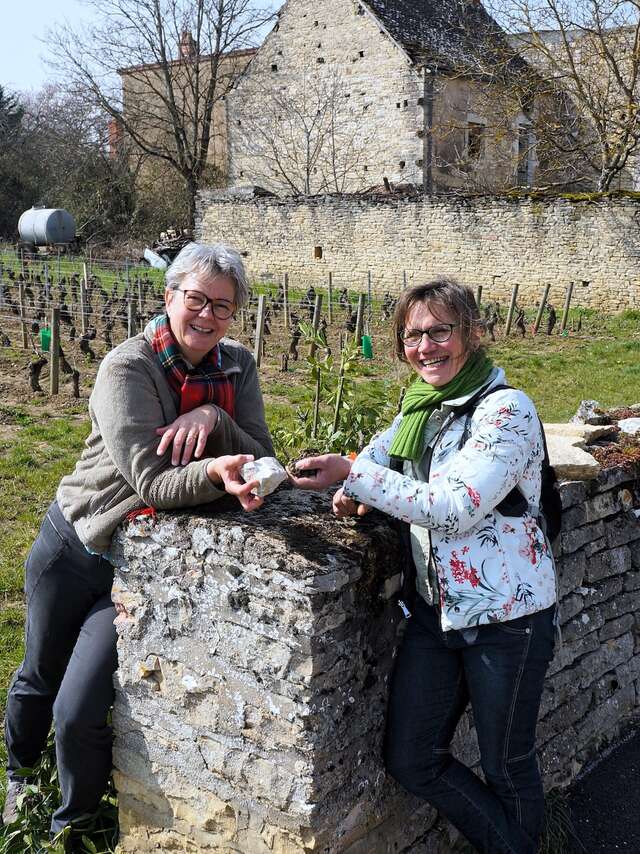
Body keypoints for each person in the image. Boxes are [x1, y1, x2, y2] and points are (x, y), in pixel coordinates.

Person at [2, 242, 273, 845]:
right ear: (170, 295)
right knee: (39, 675)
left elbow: (263, 454)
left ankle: (71, 825)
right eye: (195, 299)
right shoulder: (129, 367)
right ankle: (19, 776)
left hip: (136, 567)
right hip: (78, 545)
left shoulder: (238, 367)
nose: (206, 316)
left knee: (78, 711)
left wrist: (211, 419)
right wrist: (215, 469)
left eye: (222, 306)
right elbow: (152, 481)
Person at [290, 278, 557, 854]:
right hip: (435, 616)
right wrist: (352, 487)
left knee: (506, 765)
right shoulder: (419, 409)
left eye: (440, 331)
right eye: (413, 335)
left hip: (507, 620)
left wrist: (355, 476)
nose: (425, 346)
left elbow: (455, 507)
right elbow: (379, 458)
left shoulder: (507, 410)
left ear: (473, 334)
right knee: (412, 758)